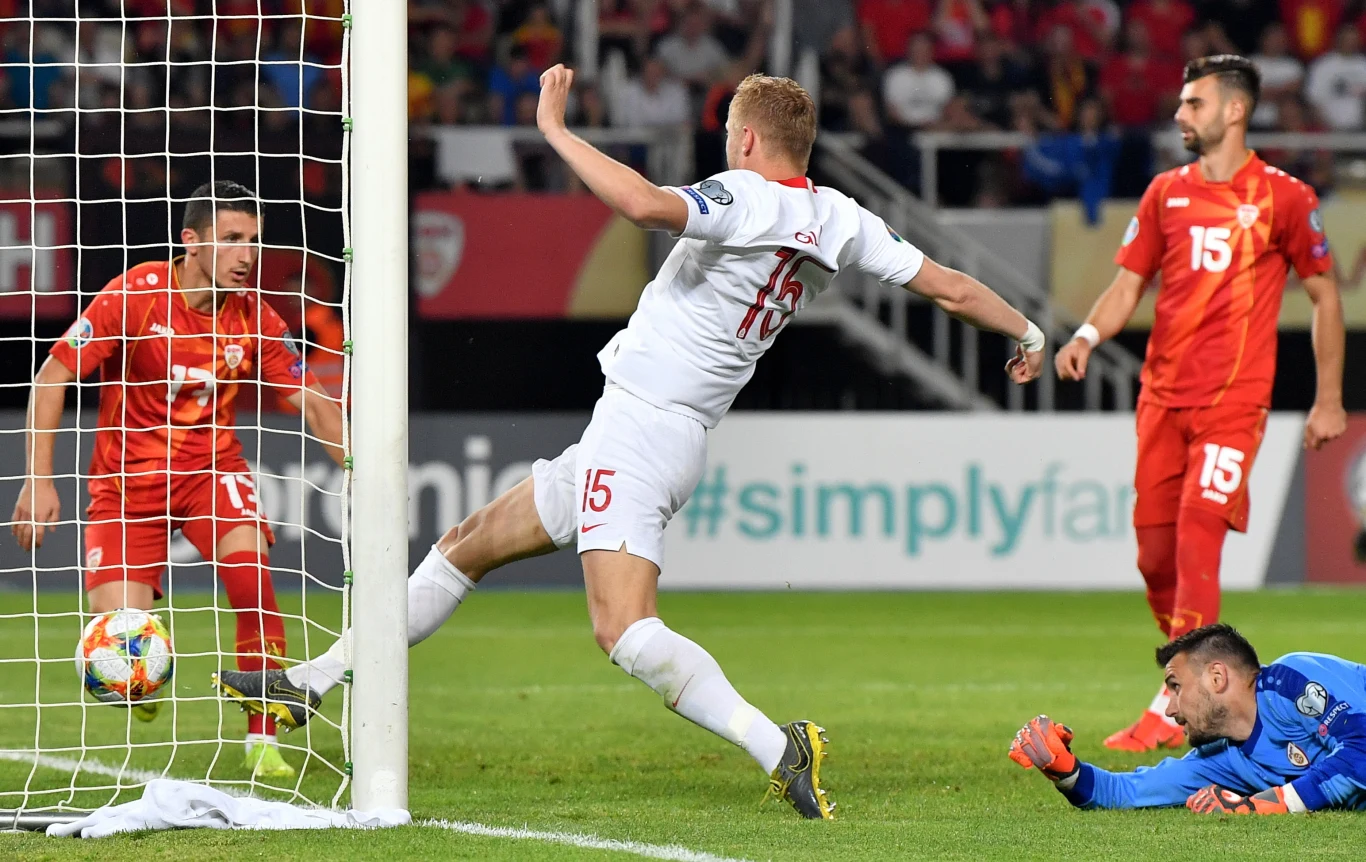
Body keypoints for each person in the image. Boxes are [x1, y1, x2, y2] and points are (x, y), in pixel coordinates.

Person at [213, 67, 1047, 820]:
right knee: (464, 546)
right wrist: (1025, 328)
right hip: (651, 430)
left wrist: (558, 133)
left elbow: (647, 204)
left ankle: (776, 745)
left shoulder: (748, 196)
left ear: (748, 138)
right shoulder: (841, 218)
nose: (724, 143)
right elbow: (950, 286)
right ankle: (309, 683)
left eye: (729, 132)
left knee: (622, 630)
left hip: (643, 428)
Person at [1054, 55, 1346, 753]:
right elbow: (1128, 284)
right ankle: (1213, 681)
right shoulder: (1164, 194)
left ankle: (1171, 709)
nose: (1180, 116)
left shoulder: (1285, 197)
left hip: (1233, 406)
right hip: (1162, 402)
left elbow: (1326, 295)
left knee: (1195, 540)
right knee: (1154, 558)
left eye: (1193, 104)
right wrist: (1089, 334)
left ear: (1234, 111)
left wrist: (1328, 399)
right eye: (1182, 105)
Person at [11, 181, 346, 780]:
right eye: (233, 240)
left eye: (255, 242)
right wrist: (39, 481)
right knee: (122, 645)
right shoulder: (134, 296)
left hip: (209, 473)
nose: (248, 256)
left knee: (254, 584)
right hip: (125, 487)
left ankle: (261, 735)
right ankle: (145, 684)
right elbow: (52, 374)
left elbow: (316, 403)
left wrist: (358, 472)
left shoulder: (256, 318)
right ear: (191, 242)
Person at [1009, 623, 1366, 812]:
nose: (1170, 709)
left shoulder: (1291, 680)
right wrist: (1065, 771)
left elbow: (1362, 748)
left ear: (1216, 677)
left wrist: (1262, 805)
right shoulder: (1221, 760)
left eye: (1175, 686)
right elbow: (1126, 793)